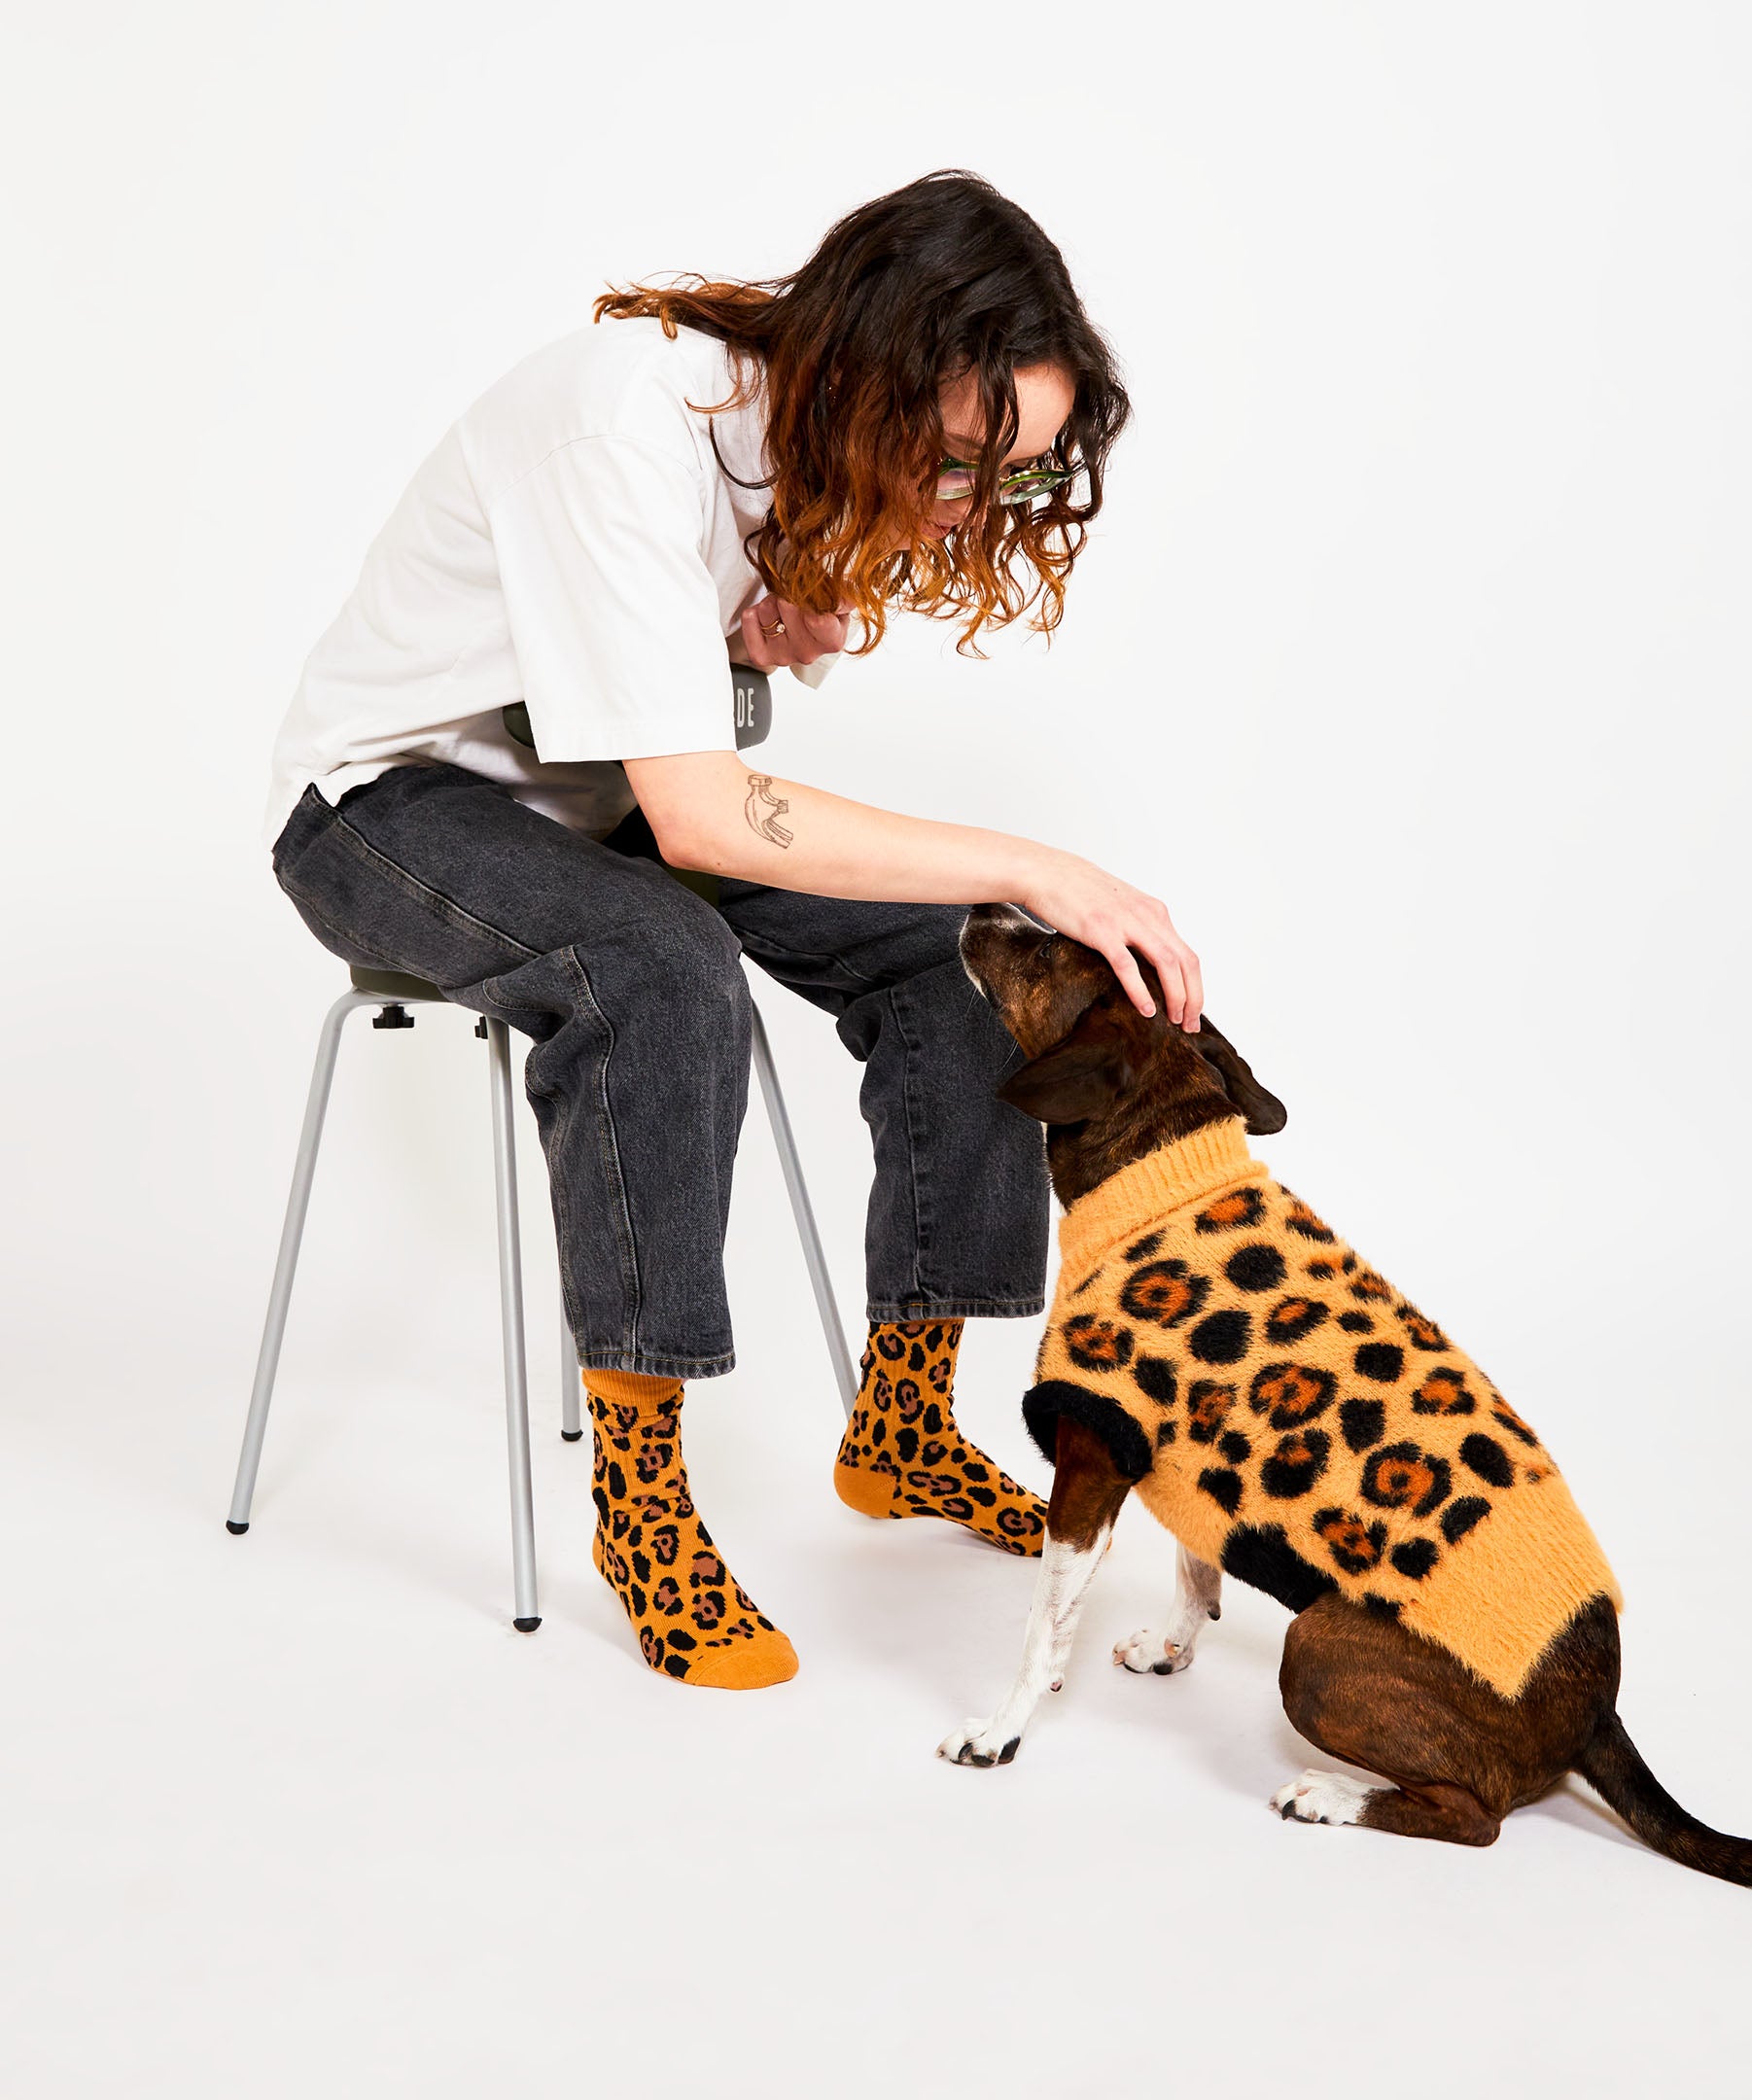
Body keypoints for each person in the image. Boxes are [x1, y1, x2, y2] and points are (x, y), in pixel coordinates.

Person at [263, 170, 1205, 1689]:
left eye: (1005, 478)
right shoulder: (620, 425)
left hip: (588, 801)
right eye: (963, 459)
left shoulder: (785, 442)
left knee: (957, 951)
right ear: (874, 363)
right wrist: (1047, 858)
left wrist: (772, 616)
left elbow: (676, 728)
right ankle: (643, 1508)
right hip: (387, 803)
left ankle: (902, 1420)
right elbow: (701, 822)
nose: (966, 505)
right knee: (660, 967)